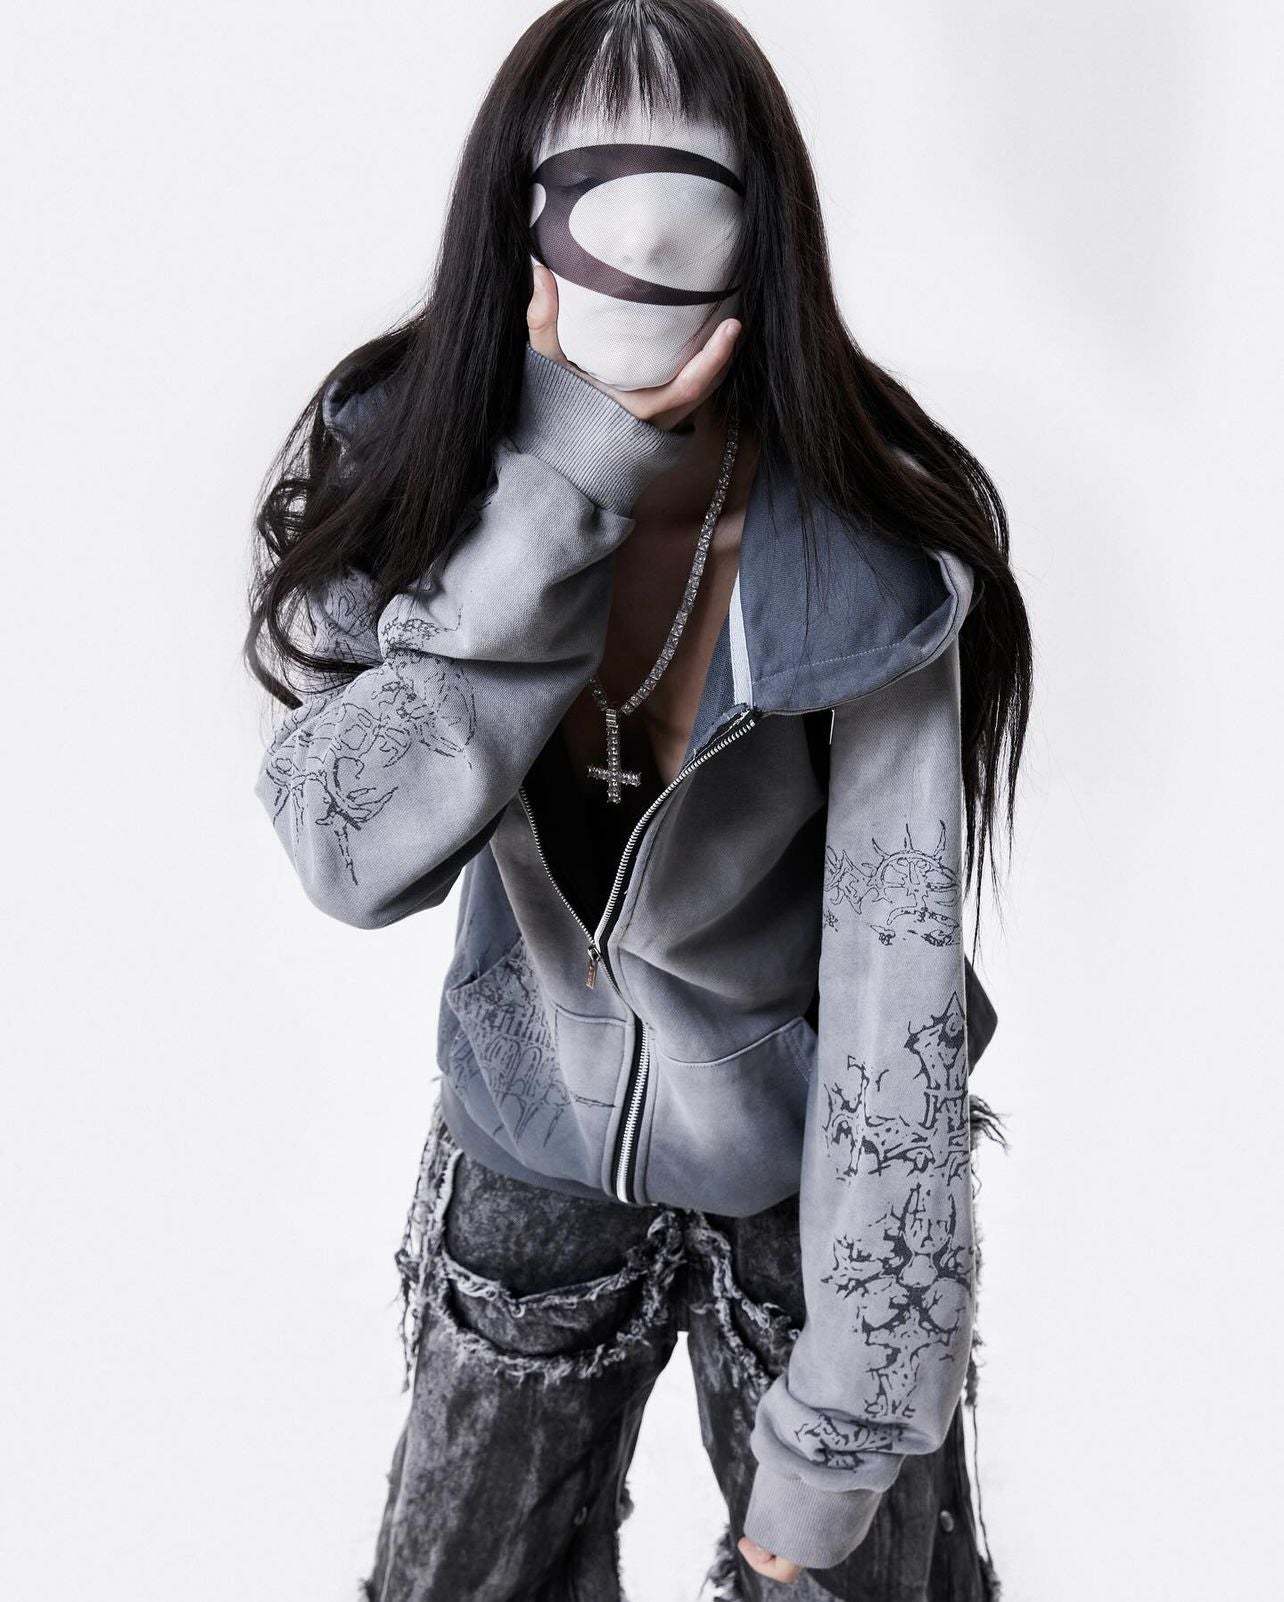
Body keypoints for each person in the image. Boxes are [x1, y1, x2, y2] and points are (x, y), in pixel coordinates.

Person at [245, 3, 1031, 1597]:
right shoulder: (406, 462)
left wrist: (842, 1434)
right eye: (588, 197)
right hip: (524, 1134)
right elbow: (344, 846)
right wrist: (554, 496)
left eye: (685, 205)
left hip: (798, 1183)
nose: (637, 248)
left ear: (755, 238)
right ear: (514, 225)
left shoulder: (866, 546)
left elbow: (897, 1007)